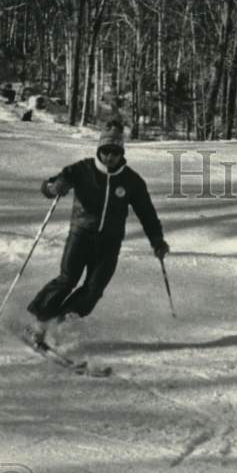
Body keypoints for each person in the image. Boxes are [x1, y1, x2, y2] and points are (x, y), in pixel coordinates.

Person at [26, 120, 169, 344]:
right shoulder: (82, 169)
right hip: (81, 234)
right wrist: (55, 187)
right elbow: (51, 185)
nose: (109, 157)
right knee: (67, 279)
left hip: (109, 242)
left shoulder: (132, 180)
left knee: (94, 289)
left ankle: (58, 325)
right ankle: (39, 320)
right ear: (99, 150)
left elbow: (147, 213)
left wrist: (157, 241)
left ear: (122, 153)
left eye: (114, 152)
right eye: (105, 151)